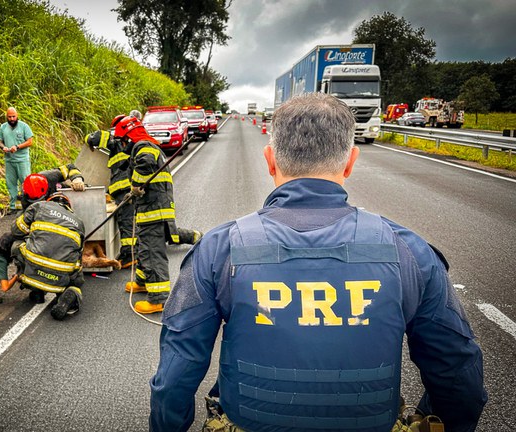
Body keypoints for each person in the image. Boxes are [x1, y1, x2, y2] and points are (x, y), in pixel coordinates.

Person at [149, 93, 487, 432]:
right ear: (350, 162)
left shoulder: (219, 249)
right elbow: (460, 379)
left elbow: (174, 378)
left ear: (270, 160)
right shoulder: (409, 252)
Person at [113, 116, 202, 314]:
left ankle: (159, 299)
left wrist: (136, 185)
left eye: (122, 140)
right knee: (144, 248)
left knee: (152, 253)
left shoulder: (143, 146)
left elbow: (145, 163)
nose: (122, 144)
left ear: (128, 136)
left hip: (154, 211)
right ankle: (143, 281)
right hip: (150, 209)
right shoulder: (146, 145)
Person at [11, 179, 85, 321]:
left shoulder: (40, 206)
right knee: (77, 272)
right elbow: (78, 252)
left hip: (34, 267)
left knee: (17, 244)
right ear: (69, 207)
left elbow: (16, 231)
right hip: (60, 275)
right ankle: (70, 293)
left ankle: (36, 290)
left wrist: (32, 231)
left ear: (49, 199)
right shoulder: (79, 222)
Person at [84, 114, 136, 268]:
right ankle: (134, 251)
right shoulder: (132, 141)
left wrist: (89, 141)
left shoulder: (113, 138)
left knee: (126, 220)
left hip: (122, 187)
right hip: (132, 184)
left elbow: (92, 138)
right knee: (132, 218)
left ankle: (129, 255)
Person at [0, 107, 34, 215]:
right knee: (11, 184)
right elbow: (0, 142)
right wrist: (3, 147)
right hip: (9, 160)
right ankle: (13, 207)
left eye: (14, 116)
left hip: (22, 160)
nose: (12, 118)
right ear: (6, 117)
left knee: (26, 183)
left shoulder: (24, 126)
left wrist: (17, 147)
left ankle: (28, 206)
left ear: (17, 116)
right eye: (9, 117)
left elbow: (30, 142)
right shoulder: (3, 127)